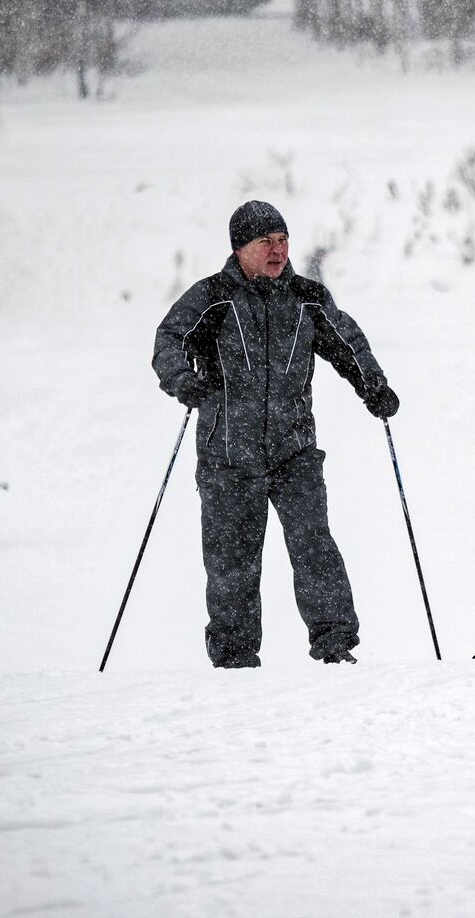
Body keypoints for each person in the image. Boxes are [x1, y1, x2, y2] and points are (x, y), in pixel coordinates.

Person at [153, 201, 399, 669]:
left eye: (283, 240)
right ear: (240, 248)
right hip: (228, 456)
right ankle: (234, 657)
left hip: (294, 453)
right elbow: (168, 342)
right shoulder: (212, 298)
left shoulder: (307, 298)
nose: (278, 250)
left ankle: (335, 645)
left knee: (314, 546)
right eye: (265, 241)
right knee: (232, 562)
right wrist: (183, 381)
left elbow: (348, 343)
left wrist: (375, 388)